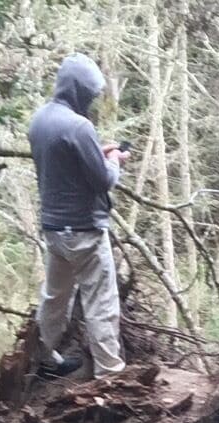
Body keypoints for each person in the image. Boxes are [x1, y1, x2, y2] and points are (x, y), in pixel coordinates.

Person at [27, 56, 129, 381]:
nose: (92, 99)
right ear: (78, 91)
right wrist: (114, 160)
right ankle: (110, 374)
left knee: (54, 299)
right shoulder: (80, 126)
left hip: (54, 230)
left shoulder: (39, 120)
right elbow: (103, 180)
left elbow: (64, 164)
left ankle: (42, 358)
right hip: (85, 232)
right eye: (90, 93)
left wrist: (95, 152)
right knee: (101, 302)